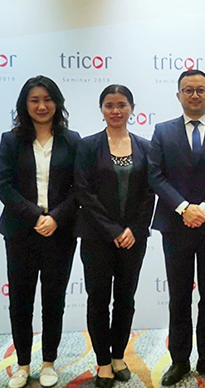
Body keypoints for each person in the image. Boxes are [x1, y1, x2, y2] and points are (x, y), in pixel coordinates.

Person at [149, 70, 205, 386]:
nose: (195, 95)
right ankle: (179, 361)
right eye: (188, 90)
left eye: (201, 90)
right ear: (178, 95)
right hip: (176, 225)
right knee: (178, 297)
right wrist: (183, 207)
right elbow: (155, 175)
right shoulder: (162, 131)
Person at [0, 76, 80, 388]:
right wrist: (35, 217)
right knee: (20, 300)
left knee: (54, 300)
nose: (42, 106)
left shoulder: (72, 140)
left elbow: (79, 187)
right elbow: (3, 185)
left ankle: (48, 362)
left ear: (56, 103)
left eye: (47, 99)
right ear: (25, 105)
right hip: (21, 232)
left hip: (60, 232)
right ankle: (22, 364)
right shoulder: (11, 140)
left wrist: (55, 218)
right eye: (34, 100)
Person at [74, 85, 155, 387]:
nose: (116, 110)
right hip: (97, 237)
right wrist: (113, 230)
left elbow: (149, 193)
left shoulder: (145, 147)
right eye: (109, 105)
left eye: (122, 104)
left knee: (125, 298)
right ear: (102, 109)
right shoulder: (88, 146)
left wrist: (134, 229)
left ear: (131, 108)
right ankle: (103, 362)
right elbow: (83, 192)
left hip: (133, 238)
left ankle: (119, 356)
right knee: (98, 299)